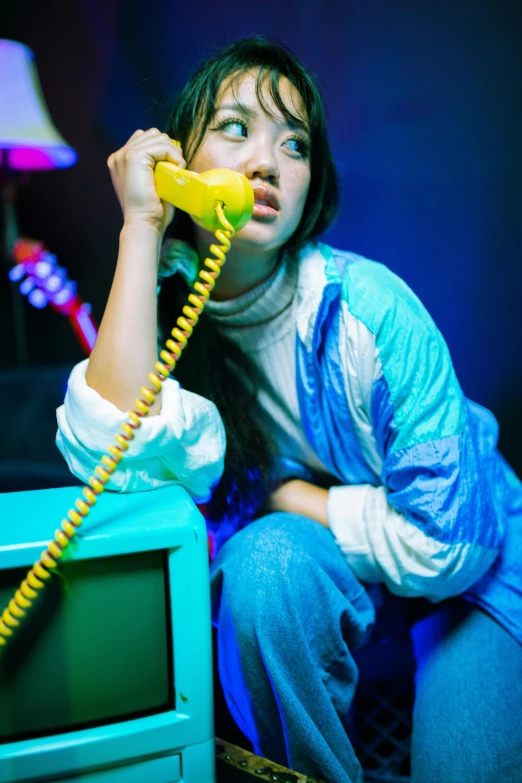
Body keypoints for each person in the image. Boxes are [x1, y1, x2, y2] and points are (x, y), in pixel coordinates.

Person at [56, 35, 522, 783]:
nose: (266, 162)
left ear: (312, 182)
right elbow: (105, 447)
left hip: (473, 569)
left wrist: (285, 494)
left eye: (293, 143)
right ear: (181, 165)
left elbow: (450, 546)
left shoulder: (371, 310)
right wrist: (141, 227)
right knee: (261, 563)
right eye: (235, 129)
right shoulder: (168, 308)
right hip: (344, 566)